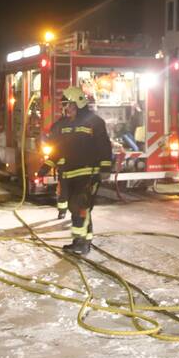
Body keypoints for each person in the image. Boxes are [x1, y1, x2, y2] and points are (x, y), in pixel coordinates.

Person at [41, 86, 112, 256]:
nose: (66, 108)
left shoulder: (95, 122)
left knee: (79, 206)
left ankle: (80, 243)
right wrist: (47, 165)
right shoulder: (63, 125)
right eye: (65, 105)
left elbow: (104, 146)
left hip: (88, 173)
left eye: (69, 105)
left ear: (78, 104)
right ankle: (83, 240)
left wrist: (105, 168)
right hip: (70, 174)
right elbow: (58, 149)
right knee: (79, 209)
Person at [40, 96, 74, 220]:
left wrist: (45, 167)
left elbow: (53, 148)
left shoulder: (57, 126)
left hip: (65, 166)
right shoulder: (82, 124)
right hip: (78, 165)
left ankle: (63, 212)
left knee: (64, 189)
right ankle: (76, 213)